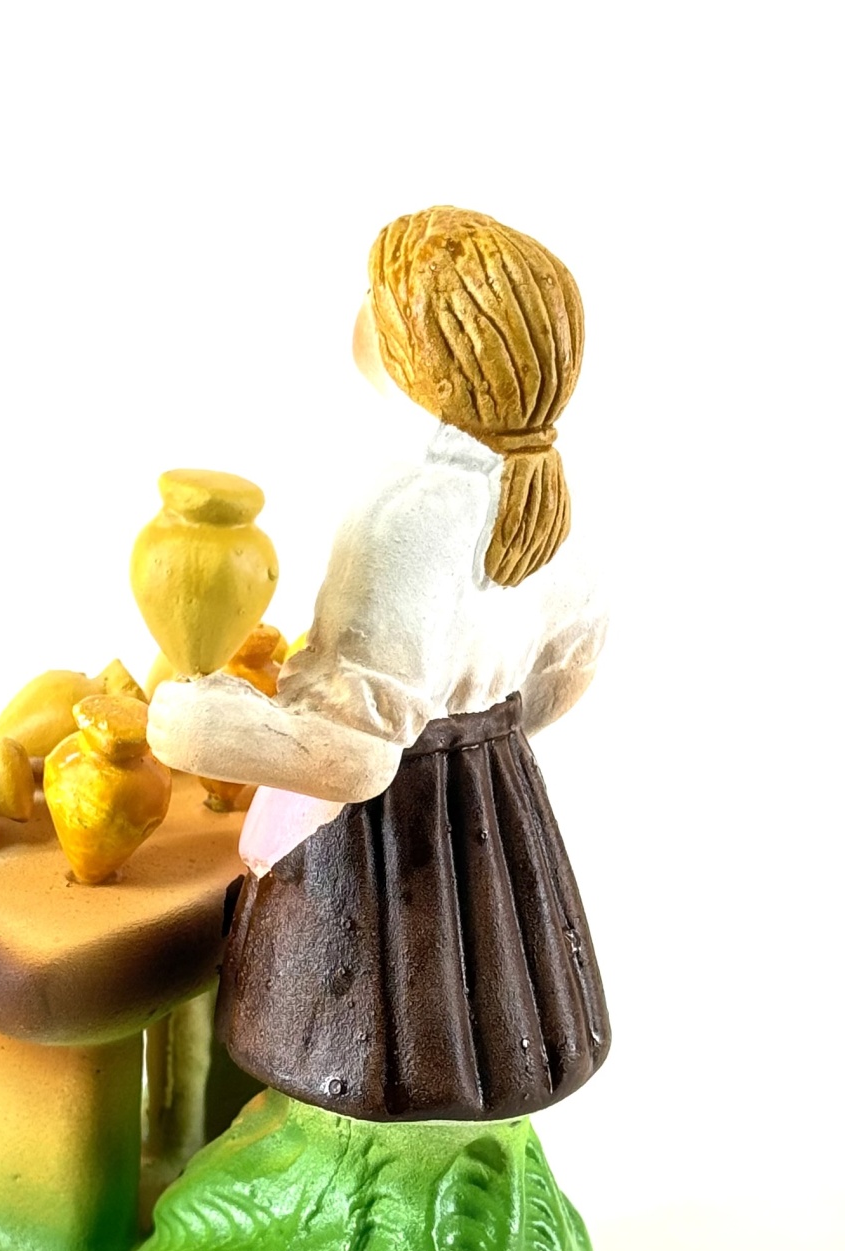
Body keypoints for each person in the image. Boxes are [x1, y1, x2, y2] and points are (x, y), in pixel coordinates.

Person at [147, 206, 611, 1124]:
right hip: (492, 804)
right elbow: (568, 670)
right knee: (482, 1034)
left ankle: (339, 1185)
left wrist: (201, 727)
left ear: (413, 346)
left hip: (387, 840)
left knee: (360, 1055)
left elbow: (354, 754)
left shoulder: (410, 511)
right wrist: (479, 744)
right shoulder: (544, 495)